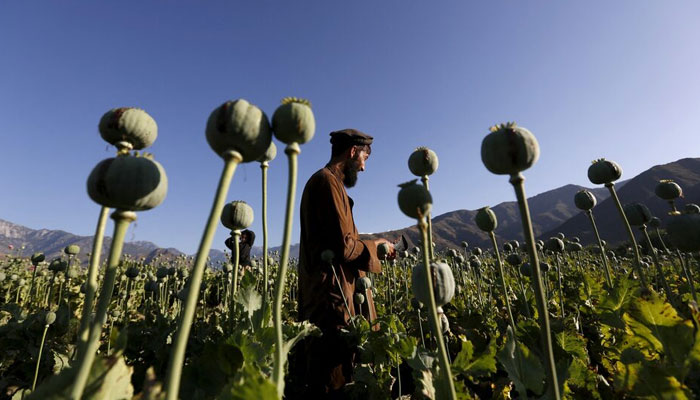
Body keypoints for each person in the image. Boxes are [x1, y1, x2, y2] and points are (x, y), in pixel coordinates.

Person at [295, 128, 395, 398]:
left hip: (331, 291)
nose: (363, 168)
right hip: (330, 296)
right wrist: (378, 247)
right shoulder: (326, 183)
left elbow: (341, 239)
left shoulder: (329, 183)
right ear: (352, 152)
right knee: (333, 375)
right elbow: (344, 246)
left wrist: (374, 242)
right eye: (364, 158)